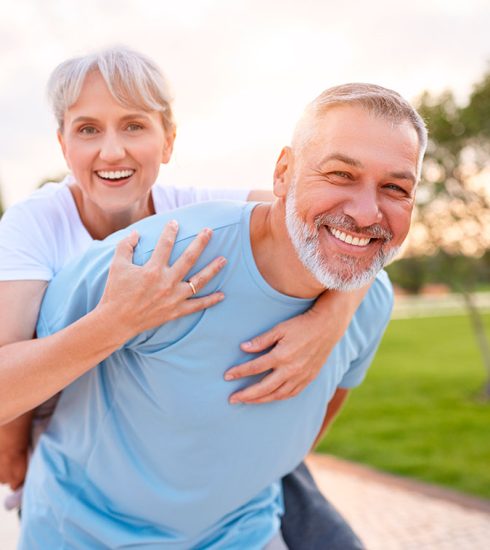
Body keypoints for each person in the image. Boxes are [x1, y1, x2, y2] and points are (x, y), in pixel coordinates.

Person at [16, 81, 426, 548]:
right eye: (340, 175)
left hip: (243, 534)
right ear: (283, 173)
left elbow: (300, 437)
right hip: (88, 536)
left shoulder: (367, 299)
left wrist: (335, 315)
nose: (367, 210)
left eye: (395, 187)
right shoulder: (149, 262)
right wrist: (12, 462)